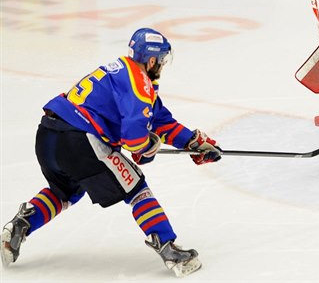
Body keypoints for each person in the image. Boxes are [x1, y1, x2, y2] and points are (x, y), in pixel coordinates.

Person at [1, 28, 222, 277]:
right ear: (151, 60)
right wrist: (148, 146)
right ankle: (169, 249)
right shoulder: (140, 83)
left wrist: (192, 142)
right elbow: (134, 140)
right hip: (79, 139)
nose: (161, 66)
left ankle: (22, 223)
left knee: (65, 191)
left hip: (48, 135)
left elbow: (159, 120)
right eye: (161, 60)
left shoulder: (120, 72)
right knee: (137, 188)